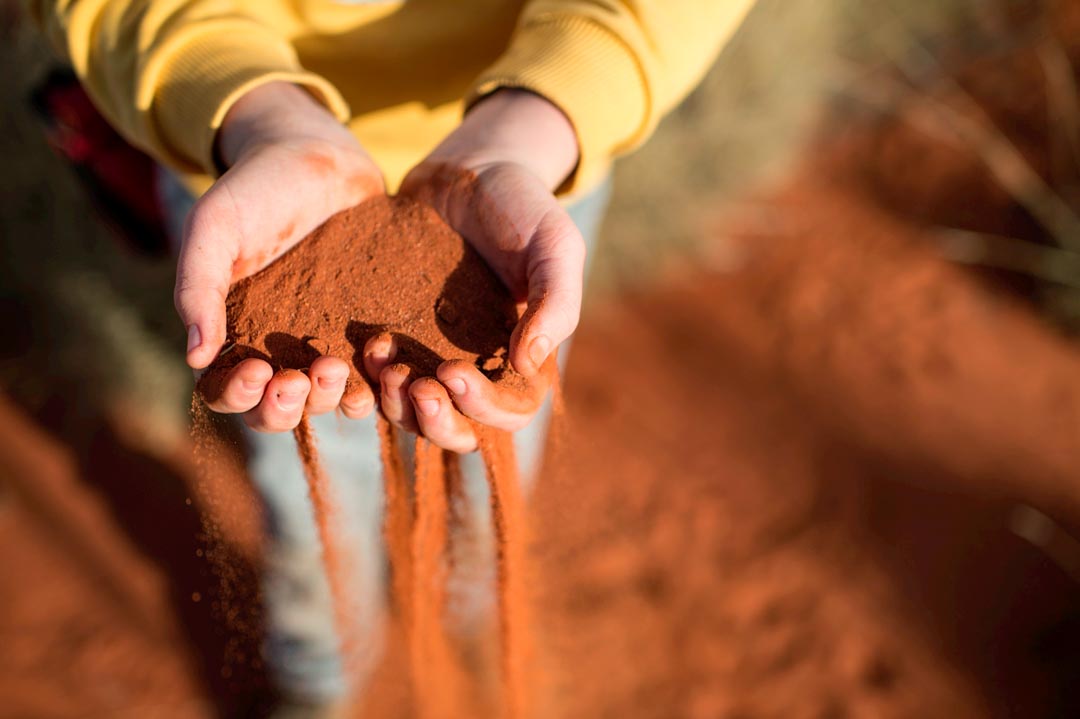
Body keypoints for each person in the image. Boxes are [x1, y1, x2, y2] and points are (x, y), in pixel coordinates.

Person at [30, 0, 757, 713]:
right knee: (302, 472)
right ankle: (321, 670)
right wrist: (259, 116)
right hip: (249, 162)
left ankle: (469, 615)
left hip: (529, 162)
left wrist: (535, 120)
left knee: (491, 434)